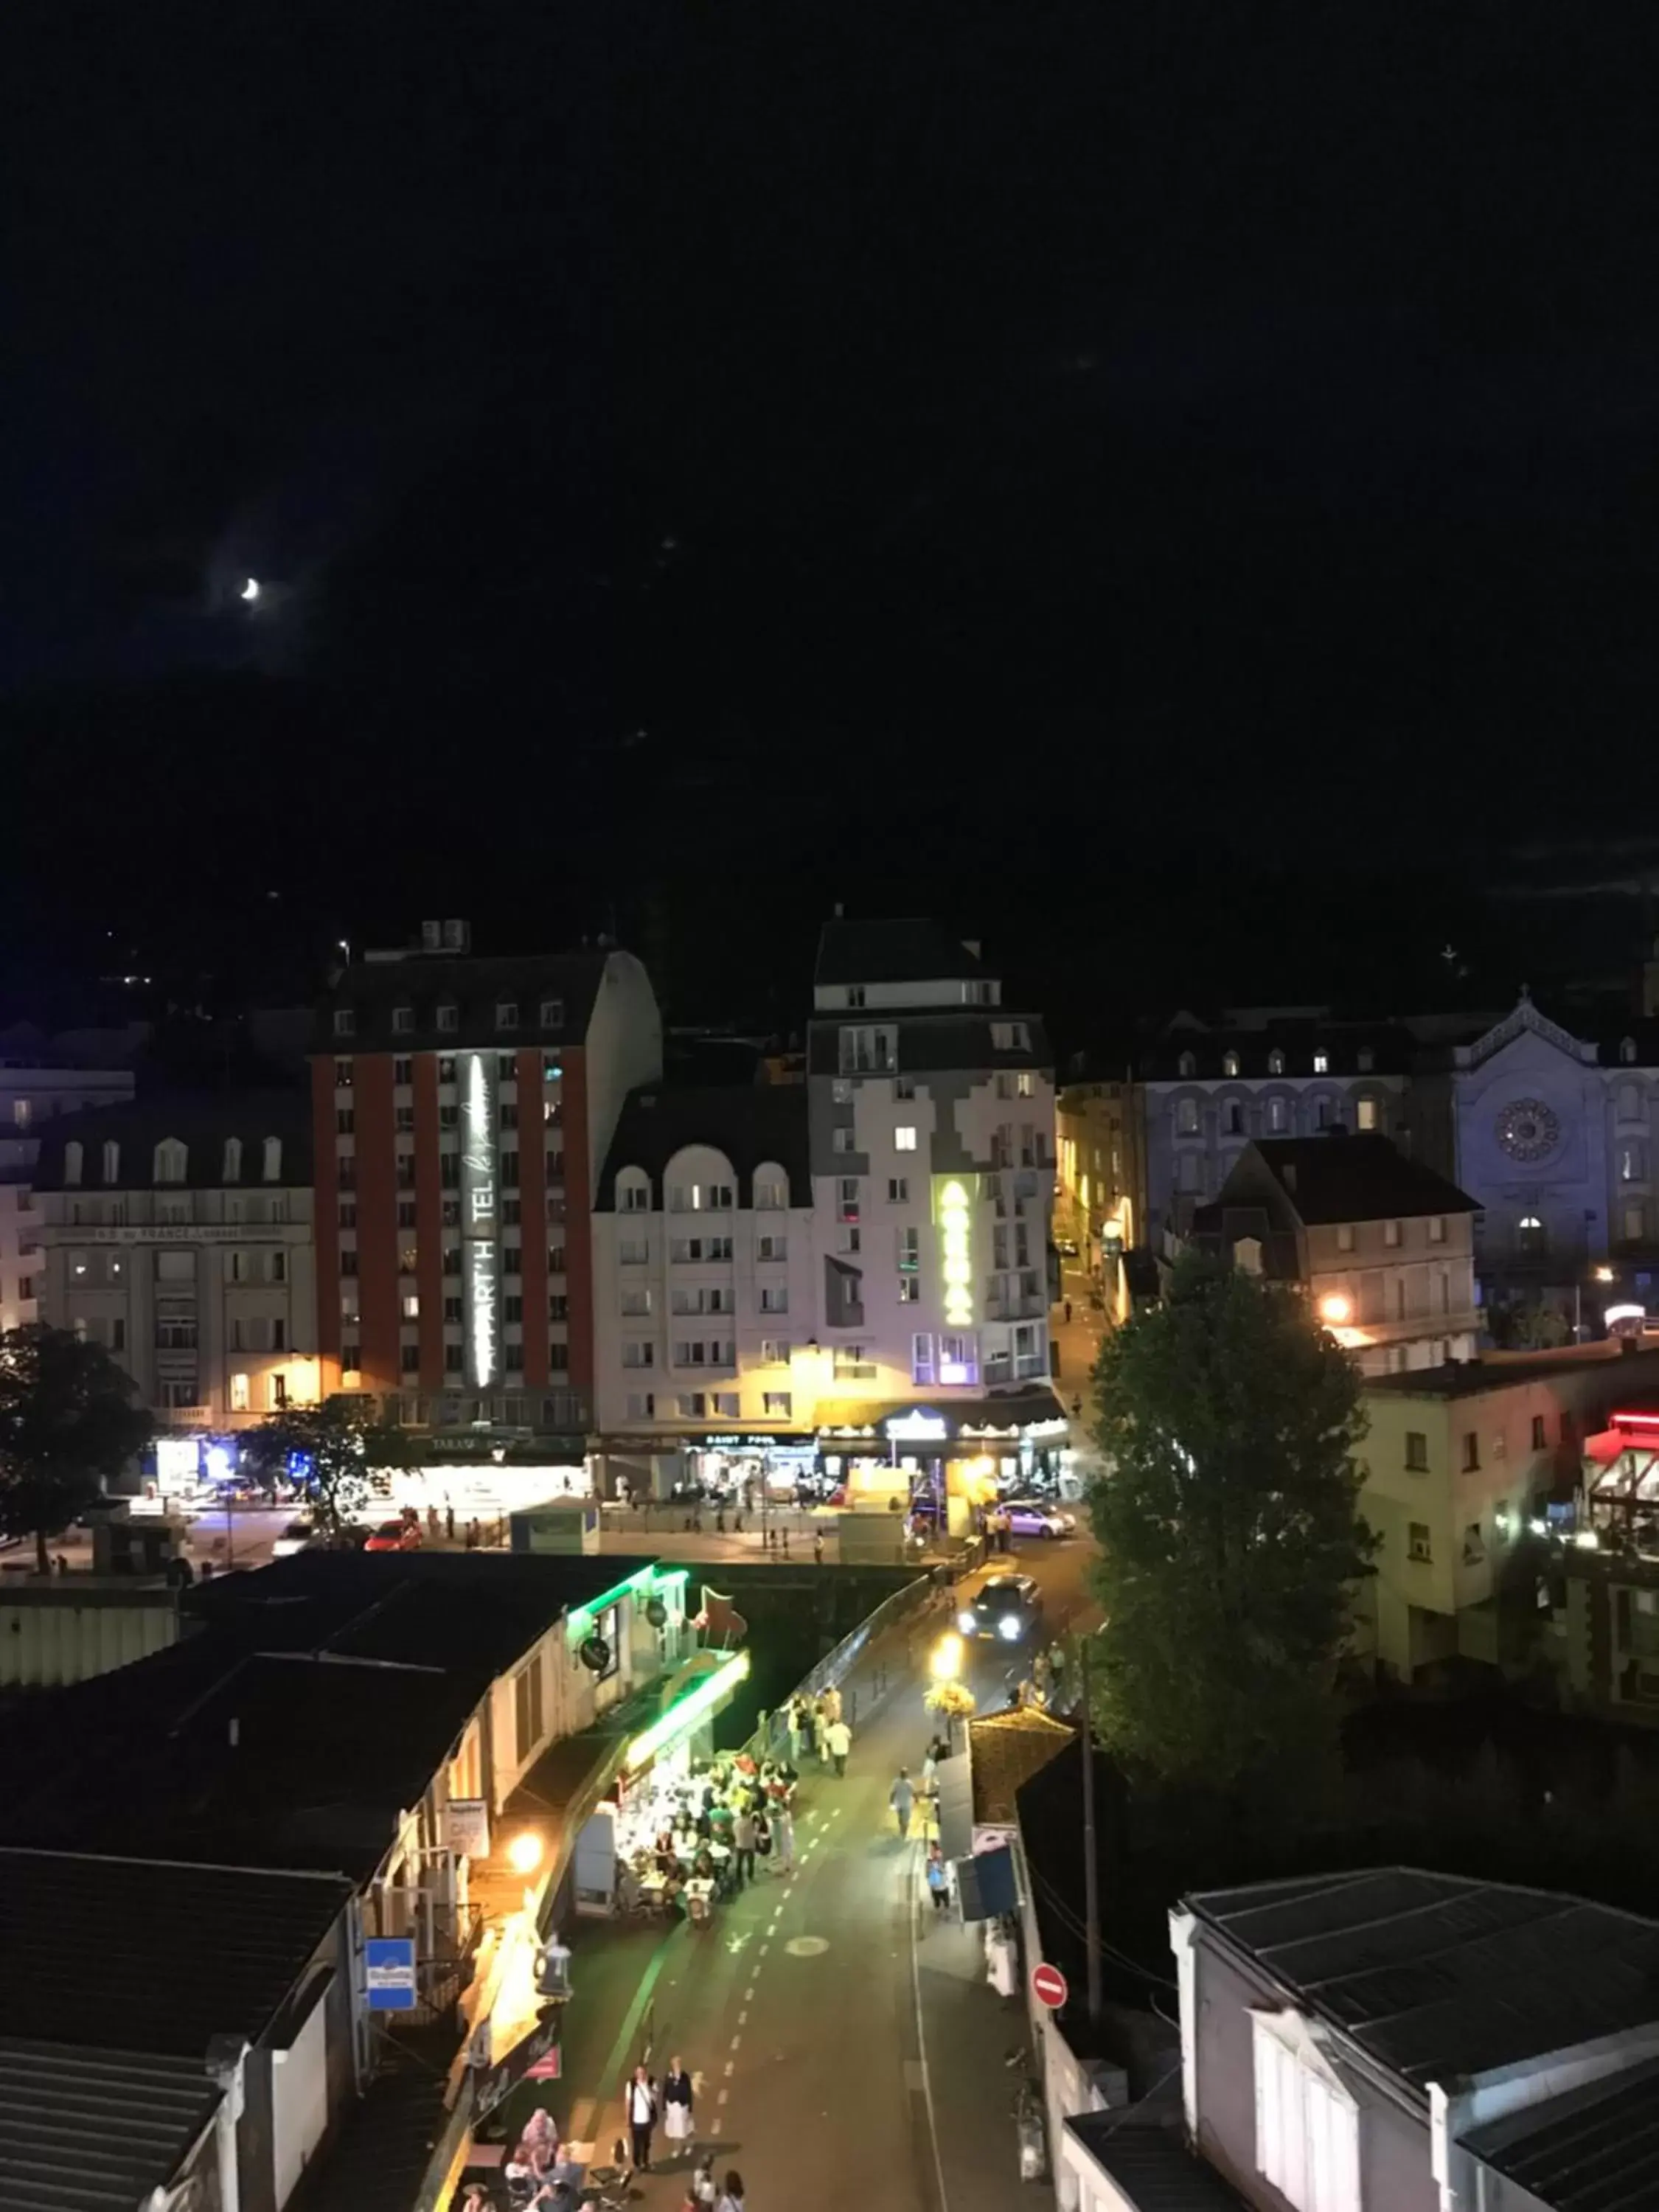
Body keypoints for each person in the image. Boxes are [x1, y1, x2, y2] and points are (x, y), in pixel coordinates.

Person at [627, 2064, 658, 2171]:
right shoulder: (631, 2084)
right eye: (639, 2073)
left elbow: (655, 2098)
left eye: (643, 2073)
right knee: (636, 2144)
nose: (641, 2075)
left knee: (646, 2143)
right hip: (636, 2120)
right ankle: (636, 2164)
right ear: (636, 2074)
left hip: (647, 2120)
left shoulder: (651, 2082)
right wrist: (627, 2119)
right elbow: (628, 2102)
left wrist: (649, 2088)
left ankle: (645, 2161)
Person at [661, 2053, 695, 2152]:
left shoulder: (685, 2077)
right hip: (672, 2107)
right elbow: (665, 2092)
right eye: (675, 2064)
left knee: (685, 2127)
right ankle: (677, 2148)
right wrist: (664, 2107)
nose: (677, 2066)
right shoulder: (668, 2077)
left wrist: (690, 2108)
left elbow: (689, 2092)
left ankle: (689, 2144)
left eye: (678, 2064)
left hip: (683, 2106)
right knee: (674, 2129)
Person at [731, 1801, 757, 1884]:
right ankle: (750, 1876)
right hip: (749, 1845)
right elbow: (755, 1829)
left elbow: (733, 1831)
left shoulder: (736, 1822)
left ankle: (738, 1877)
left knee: (739, 1862)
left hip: (739, 1844)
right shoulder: (750, 1822)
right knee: (750, 1863)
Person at [890, 1767, 916, 1838]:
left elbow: (893, 1793)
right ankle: (903, 1833)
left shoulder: (896, 1782)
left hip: (899, 1804)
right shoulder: (909, 1783)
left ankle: (902, 1832)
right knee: (905, 1820)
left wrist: (891, 1802)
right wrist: (917, 1799)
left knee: (901, 1819)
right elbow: (913, 1792)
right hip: (906, 1805)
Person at [926, 1842, 950, 1913]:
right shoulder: (929, 1862)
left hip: (944, 1887)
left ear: (938, 1851)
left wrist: (937, 1867)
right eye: (930, 1851)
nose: (931, 1852)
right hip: (934, 1888)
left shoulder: (943, 1861)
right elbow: (927, 1874)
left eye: (933, 1850)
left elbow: (945, 1871)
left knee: (946, 1905)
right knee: (937, 1905)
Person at [825, 1714, 852, 1778]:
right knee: (842, 1759)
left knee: (837, 1759)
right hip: (844, 1747)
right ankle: (842, 1770)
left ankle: (838, 1768)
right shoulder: (844, 1728)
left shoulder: (831, 1729)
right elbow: (849, 1736)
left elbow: (827, 1737)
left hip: (835, 1747)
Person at [771, 1801, 794, 1873]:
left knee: (786, 1850)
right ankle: (787, 1865)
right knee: (787, 1850)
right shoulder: (787, 1814)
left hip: (786, 1834)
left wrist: (775, 1818)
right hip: (787, 1834)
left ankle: (787, 1866)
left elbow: (780, 1820)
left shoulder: (786, 1816)